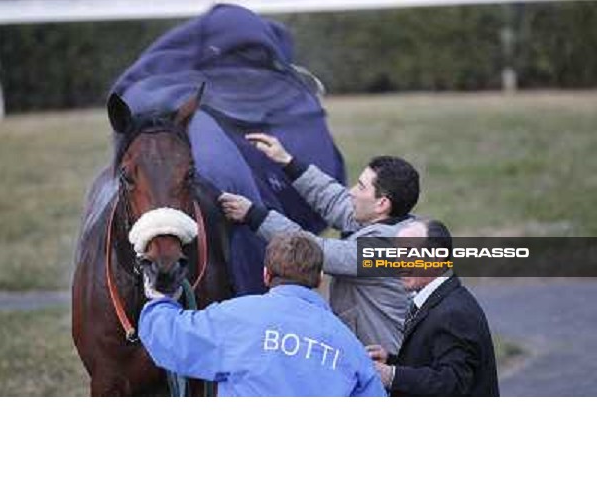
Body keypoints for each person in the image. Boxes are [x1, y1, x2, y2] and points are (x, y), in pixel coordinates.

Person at [218, 132, 420, 354]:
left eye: (361, 187)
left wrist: (253, 215)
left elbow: (313, 250)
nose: (352, 192)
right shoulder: (394, 224)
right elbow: (335, 200)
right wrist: (288, 162)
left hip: (382, 368)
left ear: (382, 204)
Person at [139, 233, 386, 397]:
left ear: (266, 275)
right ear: (319, 278)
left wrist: (159, 299)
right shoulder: (349, 345)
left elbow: (171, 339)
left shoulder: (234, 317)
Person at [366, 219, 500, 396]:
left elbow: (453, 384)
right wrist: (391, 362)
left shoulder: (454, 313)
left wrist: (392, 375)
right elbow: (431, 363)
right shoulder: (436, 300)